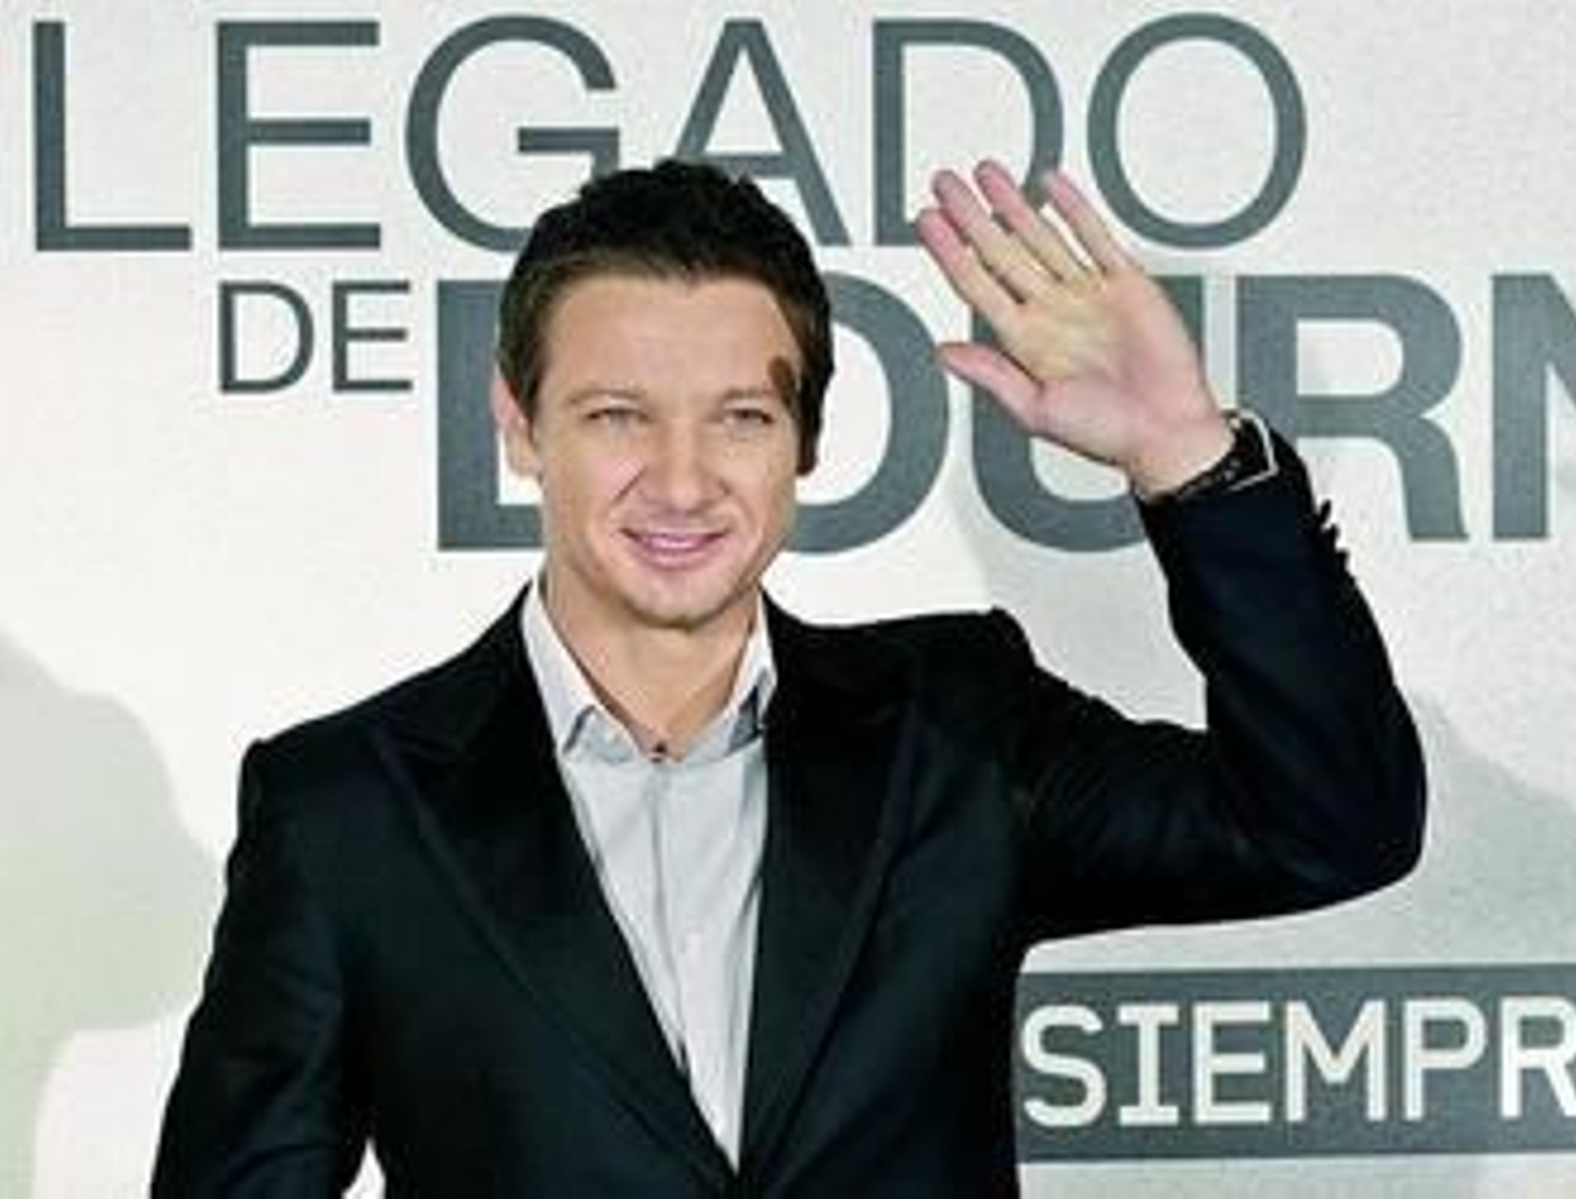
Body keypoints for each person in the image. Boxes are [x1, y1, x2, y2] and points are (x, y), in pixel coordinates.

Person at [152, 158, 1424, 1196]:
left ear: (806, 438)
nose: (682, 479)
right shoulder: (345, 808)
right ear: (518, 421)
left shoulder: (956, 727)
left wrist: (1188, 459)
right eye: (617, 415)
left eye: (742, 417)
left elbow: (1331, 823)